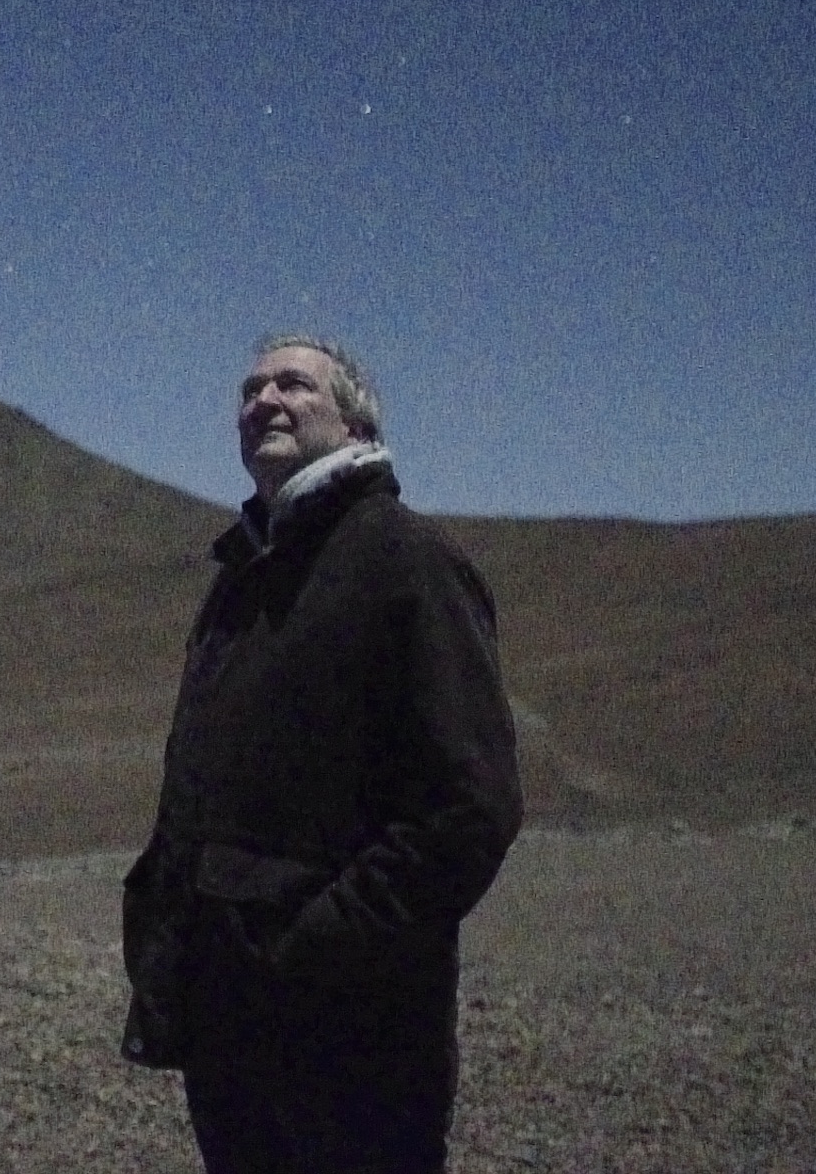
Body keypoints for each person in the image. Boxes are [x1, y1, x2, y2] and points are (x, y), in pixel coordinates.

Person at [122, 334, 524, 1174]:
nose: (262, 400)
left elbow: (469, 807)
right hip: (233, 1020)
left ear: (351, 419)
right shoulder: (243, 573)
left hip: (353, 1034)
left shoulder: (402, 560)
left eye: (294, 385)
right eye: (250, 388)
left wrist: (317, 947)